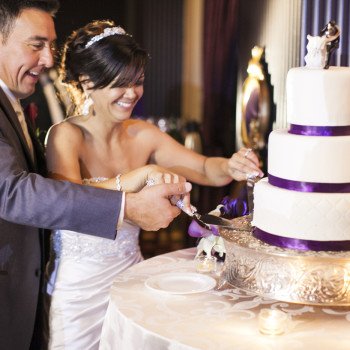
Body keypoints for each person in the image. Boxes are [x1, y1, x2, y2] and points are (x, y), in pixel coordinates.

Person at [44, 19, 263, 349]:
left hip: (130, 278)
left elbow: (205, 168)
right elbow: (67, 201)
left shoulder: (143, 134)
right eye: (120, 83)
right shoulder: (65, 135)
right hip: (77, 292)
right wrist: (136, 177)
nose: (132, 93)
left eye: (138, 81)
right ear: (87, 82)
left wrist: (232, 165)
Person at [0, 2, 192, 349]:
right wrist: (128, 203)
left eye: (51, 46)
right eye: (36, 44)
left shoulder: (14, 105)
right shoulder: (64, 133)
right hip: (52, 290)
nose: (47, 60)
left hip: (105, 278)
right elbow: (14, 192)